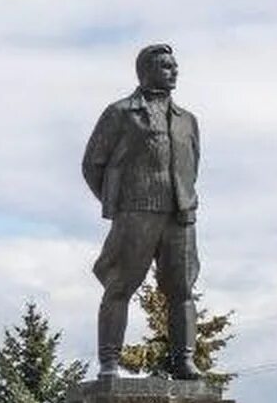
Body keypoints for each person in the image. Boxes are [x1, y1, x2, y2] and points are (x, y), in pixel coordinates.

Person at [82, 43, 203, 379]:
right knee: (120, 285)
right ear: (145, 70)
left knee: (182, 289)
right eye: (165, 65)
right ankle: (109, 362)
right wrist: (119, 203)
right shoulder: (121, 113)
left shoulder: (188, 121)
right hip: (136, 212)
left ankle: (184, 360)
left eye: (175, 65)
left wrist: (184, 198)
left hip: (179, 215)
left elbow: (192, 165)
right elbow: (93, 164)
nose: (173, 70)